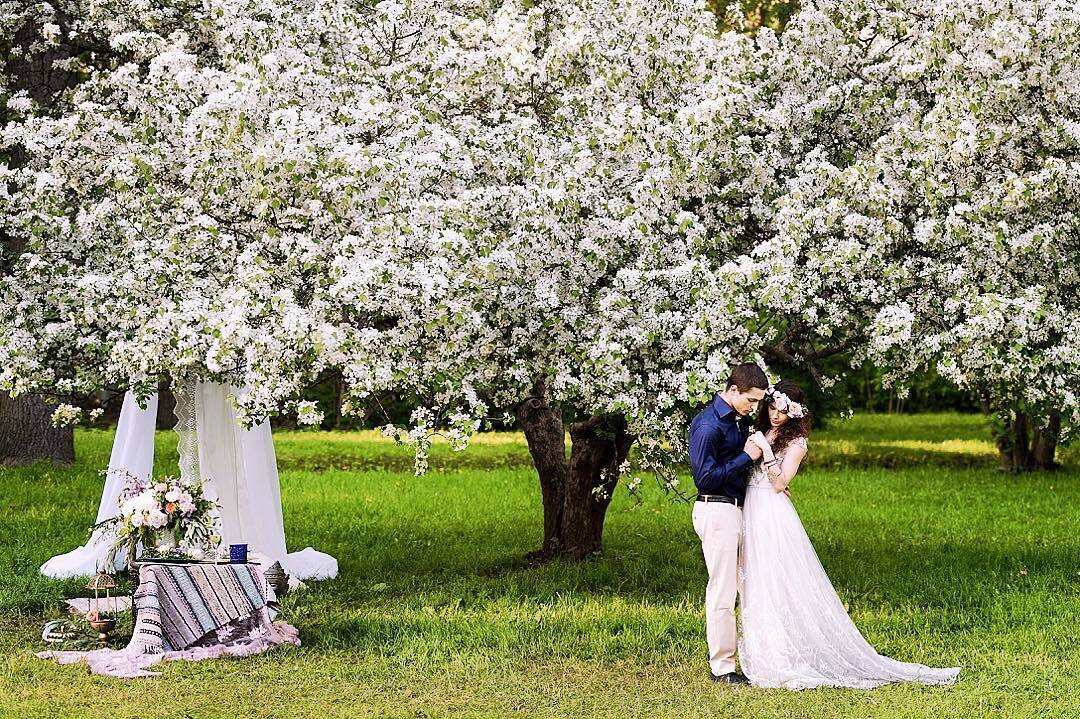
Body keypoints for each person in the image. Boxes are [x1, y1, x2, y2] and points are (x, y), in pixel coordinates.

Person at [738, 379, 960, 690]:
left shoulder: (796, 443)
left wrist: (767, 453)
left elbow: (780, 482)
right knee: (755, 578)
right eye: (772, 408)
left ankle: (784, 654)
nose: (775, 415)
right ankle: (764, 647)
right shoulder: (758, 431)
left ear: (794, 413)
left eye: (782, 411)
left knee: (778, 577)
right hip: (750, 507)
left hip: (772, 511)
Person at [688, 363, 769, 684]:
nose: (755, 407)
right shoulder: (708, 426)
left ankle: (757, 656)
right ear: (733, 391)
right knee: (722, 591)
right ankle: (722, 668)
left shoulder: (739, 420)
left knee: (748, 586)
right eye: (751, 400)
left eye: (759, 402)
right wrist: (746, 457)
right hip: (717, 510)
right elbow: (704, 478)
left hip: (737, 510)